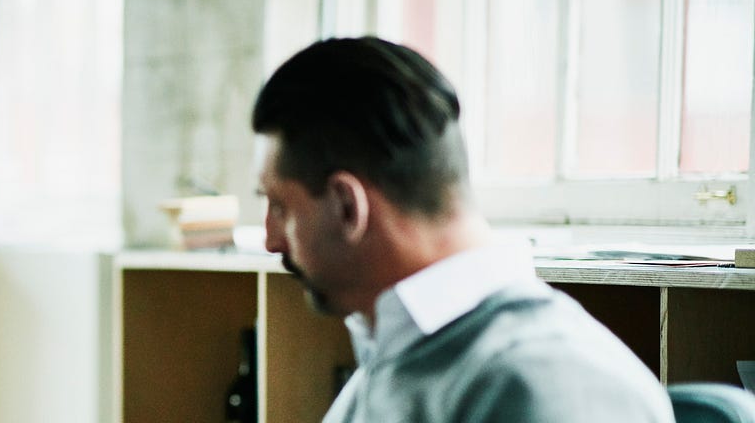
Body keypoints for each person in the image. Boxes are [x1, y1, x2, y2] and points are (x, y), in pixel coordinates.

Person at [251, 37, 672, 422]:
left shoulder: (552, 387)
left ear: (348, 206)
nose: (270, 240)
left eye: (280, 208)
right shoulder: (395, 353)